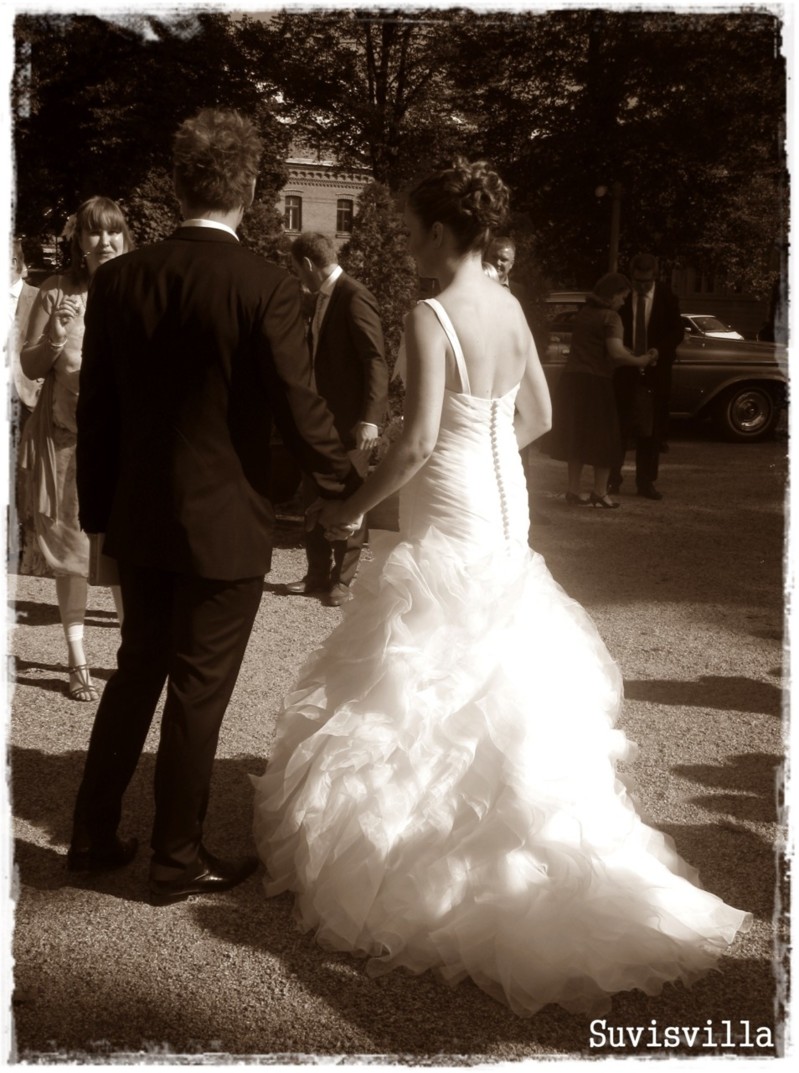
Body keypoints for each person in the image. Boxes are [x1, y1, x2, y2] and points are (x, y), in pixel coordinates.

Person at [252, 159, 749, 1017]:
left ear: (444, 231)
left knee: (426, 658)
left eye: (413, 232)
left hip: (449, 498)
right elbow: (538, 418)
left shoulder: (430, 313)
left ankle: (422, 846)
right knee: (490, 651)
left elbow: (415, 443)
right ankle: (506, 822)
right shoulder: (512, 307)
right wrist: (480, 456)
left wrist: (347, 509)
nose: (407, 246)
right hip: (499, 499)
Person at [69, 109, 361, 904]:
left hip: (138, 514)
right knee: (198, 688)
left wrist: (99, 517)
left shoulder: (119, 279)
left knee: (137, 670)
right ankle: (174, 856)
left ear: (176, 184)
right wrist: (345, 489)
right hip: (225, 522)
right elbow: (300, 409)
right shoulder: (264, 286)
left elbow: (97, 412)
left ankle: (92, 834)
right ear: (252, 189)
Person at [18, 198, 130, 701]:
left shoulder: (140, 286)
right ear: (79, 241)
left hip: (125, 446)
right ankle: (77, 658)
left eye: (113, 232)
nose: (105, 242)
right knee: (72, 555)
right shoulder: (55, 290)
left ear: (124, 236)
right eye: (94, 233)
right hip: (67, 443)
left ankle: (133, 655)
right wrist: (55, 337)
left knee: (125, 552)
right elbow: (30, 366)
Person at [284, 233, 388, 607]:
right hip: (320, 420)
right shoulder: (323, 298)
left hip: (350, 422)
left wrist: (371, 418)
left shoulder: (353, 296)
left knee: (349, 494)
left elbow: (374, 358)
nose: (298, 277)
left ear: (308, 264)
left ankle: (341, 579)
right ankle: (316, 573)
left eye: (297, 270)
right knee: (314, 495)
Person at [547, 272, 658, 509]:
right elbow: (616, 353)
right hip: (597, 381)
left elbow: (596, 345)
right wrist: (641, 360)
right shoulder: (611, 317)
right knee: (606, 438)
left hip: (573, 380)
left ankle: (573, 490)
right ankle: (600, 491)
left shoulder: (584, 313)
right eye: (622, 296)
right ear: (613, 294)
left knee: (577, 436)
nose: (624, 302)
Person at [609, 252, 683, 499]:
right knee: (619, 428)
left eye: (646, 282)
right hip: (624, 370)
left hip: (655, 372)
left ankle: (645, 482)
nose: (641, 287)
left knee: (651, 430)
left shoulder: (666, 297)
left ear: (655, 277)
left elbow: (677, 332)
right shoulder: (622, 296)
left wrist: (658, 350)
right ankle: (612, 480)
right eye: (637, 281)